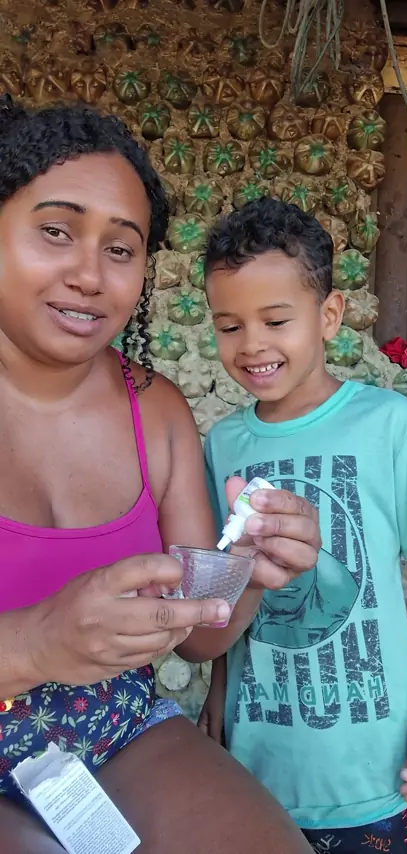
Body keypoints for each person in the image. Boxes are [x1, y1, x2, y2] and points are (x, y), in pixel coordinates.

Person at [0, 96, 320, 854]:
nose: (90, 275)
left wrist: (249, 572)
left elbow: (198, 638)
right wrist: (35, 643)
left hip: (115, 728)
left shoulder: (158, 410)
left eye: (121, 248)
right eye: (56, 231)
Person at [199, 197, 407, 853]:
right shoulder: (223, 444)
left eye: (275, 320)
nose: (252, 344)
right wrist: (218, 691)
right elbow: (231, 581)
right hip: (258, 757)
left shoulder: (388, 423)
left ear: (329, 316)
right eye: (229, 325)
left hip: (376, 763)